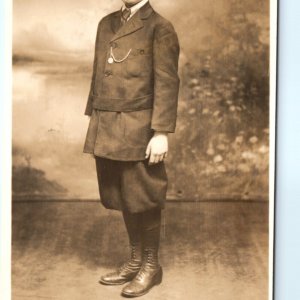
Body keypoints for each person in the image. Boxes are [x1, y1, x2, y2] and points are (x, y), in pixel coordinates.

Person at [83, 0, 180, 297]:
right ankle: (136, 260)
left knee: (144, 195)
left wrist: (161, 132)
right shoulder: (106, 23)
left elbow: (168, 82)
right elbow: (100, 73)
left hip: (140, 127)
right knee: (124, 195)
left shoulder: (160, 27)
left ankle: (151, 266)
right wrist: (94, 116)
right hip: (108, 122)